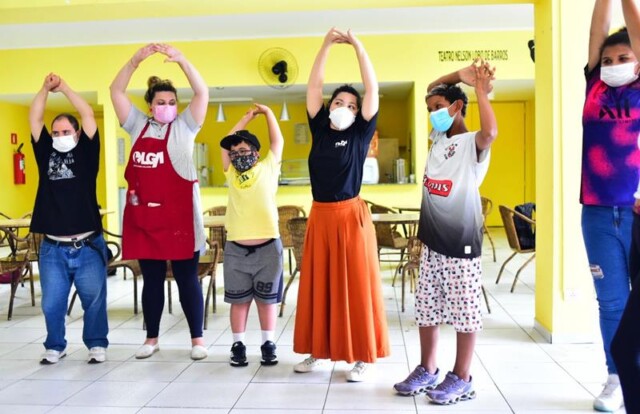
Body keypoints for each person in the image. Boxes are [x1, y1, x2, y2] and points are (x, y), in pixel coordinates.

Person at [393, 59, 497, 405]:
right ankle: (428, 368)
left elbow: (490, 133)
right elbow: (430, 89)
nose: (432, 112)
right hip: (433, 244)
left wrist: (480, 91)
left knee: (464, 311)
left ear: (457, 107)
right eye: (429, 109)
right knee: (427, 309)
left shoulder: (472, 144)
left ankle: (462, 376)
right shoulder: (438, 138)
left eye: (438, 108)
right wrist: (458, 77)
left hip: (461, 246)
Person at [292, 27, 390, 382]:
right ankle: (318, 352)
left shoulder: (360, 134)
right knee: (319, 286)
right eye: (339, 103)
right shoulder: (319, 127)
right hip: (321, 215)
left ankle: (361, 356)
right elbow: (314, 86)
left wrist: (359, 47)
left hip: (351, 217)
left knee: (356, 287)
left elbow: (373, 90)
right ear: (328, 107)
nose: (345, 108)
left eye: (352, 104)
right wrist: (325, 46)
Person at [110, 43, 209, 360]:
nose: (166, 106)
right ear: (150, 106)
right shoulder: (137, 125)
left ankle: (197, 340)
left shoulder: (185, 126)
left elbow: (202, 93)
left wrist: (183, 61)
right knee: (151, 281)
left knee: (186, 280)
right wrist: (134, 61)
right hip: (145, 221)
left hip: (180, 220)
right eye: (160, 102)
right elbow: (116, 91)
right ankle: (151, 338)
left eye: (171, 102)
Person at [581, 0, 640, 411]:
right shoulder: (595, 87)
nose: (614, 63)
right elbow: (596, 33)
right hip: (597, 213)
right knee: (612, 302)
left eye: (624, 57)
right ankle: (617, 377)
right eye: (608, 59)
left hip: (636, 211)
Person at [29, 73, 109, 364]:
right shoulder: (45, 150)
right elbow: (35, 119)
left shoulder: (87, 151)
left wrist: (64, 88)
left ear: (77, 134)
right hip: (53, 247)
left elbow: (87, 113)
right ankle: (55, 344)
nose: (61, 137)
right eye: (57, 132)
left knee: (94, 300)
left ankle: (97, 343)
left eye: (66, 132)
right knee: (52, 303)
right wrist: (44, 89)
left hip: (88, 244)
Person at [219, 103, 284, 367]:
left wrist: (268, 114)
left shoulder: (268, 167)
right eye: (234, 152)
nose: (237, 155)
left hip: (268, 247)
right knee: (239, 302)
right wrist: (244, 119)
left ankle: (268, 344)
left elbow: (276, 140)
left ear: (256, 153)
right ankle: (238, 345)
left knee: (267, 302)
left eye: (243, 150)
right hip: (236, 248)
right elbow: (225, 146)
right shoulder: (231, 173)